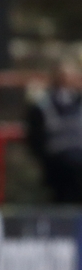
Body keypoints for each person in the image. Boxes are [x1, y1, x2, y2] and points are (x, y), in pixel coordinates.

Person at [26, 58, 82, 203]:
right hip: (57, 162)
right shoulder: (43, 104)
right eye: (63, 75)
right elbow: (35, 136)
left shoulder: (78, 101)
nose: (67, 79)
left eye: (71, 74)